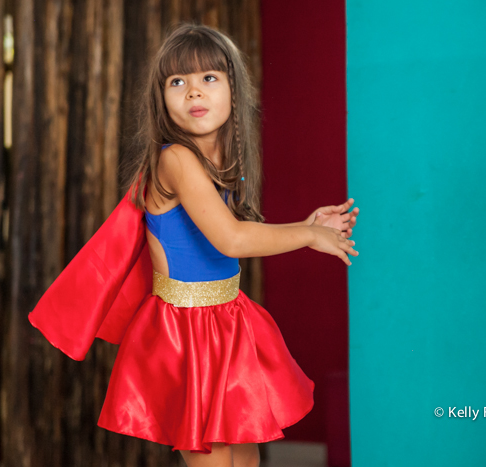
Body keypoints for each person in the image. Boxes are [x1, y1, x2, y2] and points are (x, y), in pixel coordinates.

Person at [29, 22, 359, 467]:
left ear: (233, 92)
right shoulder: (177, 160)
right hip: (185, 333)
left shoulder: (222, 159)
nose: (193, 93)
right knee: (215, 461)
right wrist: (309, 235)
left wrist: (306, 222)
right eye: (177, 81)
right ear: (161, 99)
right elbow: (231, 238)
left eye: (208, 78)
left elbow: (227, 233)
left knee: (246, 460)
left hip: (226, 320)